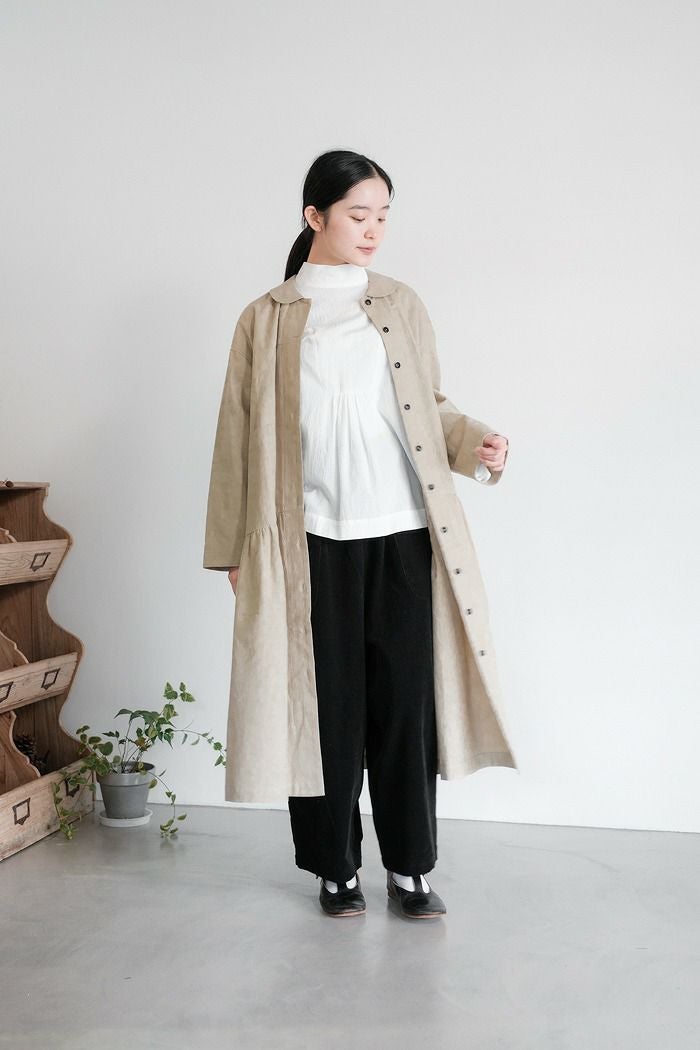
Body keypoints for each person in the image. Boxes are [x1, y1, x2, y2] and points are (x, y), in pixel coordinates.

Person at [204, 149, 511, 921]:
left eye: (382, 216)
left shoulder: (400, 304)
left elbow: (429, 405)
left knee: (405, 711)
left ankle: (410, 867)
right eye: (357, 214)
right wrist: (232, 550)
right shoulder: (266, 317)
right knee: (323, 714)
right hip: (307, 542)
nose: (373, 230)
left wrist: (474, 442)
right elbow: (235, 435)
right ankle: (334, 869)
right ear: (315, 216)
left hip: (403, 535)